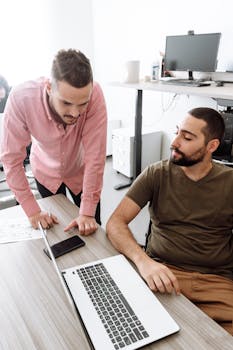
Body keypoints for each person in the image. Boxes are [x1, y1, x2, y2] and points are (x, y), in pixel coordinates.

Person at [106, 107, 233, 335]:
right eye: (177, 132)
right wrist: (143, 262)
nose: (174, 142)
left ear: (212, 146)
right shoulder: (157, 173)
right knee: (130, 326)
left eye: (187, 137)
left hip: (215, 282)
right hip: (162, 272)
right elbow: (116, 222)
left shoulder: (229, 182)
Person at [0, 49, 107, 235]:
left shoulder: (95, 93)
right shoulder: (21, 99)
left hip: (81, 172)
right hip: (45, 172)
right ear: (49, 87)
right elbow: (11, 160)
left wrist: (88, 213)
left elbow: (95, 157)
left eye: (82, 104)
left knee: (92, 230)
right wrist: (32, 211)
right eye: (66, 103)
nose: (75, 113)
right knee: (54, 233)